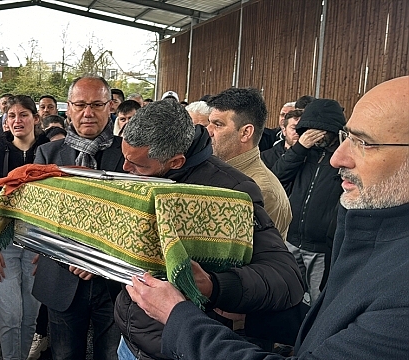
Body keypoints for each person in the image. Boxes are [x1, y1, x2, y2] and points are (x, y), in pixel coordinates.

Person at [126, 75, 409, 360]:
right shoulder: (374, 231)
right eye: (345, 137)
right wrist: (241, 308)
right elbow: (330, 325)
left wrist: (179, 317)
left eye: (365, 143)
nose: (338, 157)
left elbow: (283, 281)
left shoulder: (241, 189)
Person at [115, 98, 304, 359]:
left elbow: (286, 279)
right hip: (129, 338)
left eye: (137, 165)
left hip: (177, 348)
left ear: (177, 162)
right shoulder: (139, 165)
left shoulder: (230, 192)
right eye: (126, 158)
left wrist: (214, 286)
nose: (125, 169)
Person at [33, 75, 125, 360]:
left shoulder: (128, 155)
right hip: (62, 277)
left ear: (110, 107)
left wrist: (95, 258)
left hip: (114, 282)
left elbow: (134, 219)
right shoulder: (47, 154)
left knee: (111, 355)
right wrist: (75, 256)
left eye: (97, 104)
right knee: (64, 355)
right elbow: (37, 218)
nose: (88, 113)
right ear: (68, 108)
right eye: (81, 105)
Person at [0, 95, 48, 360]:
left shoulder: (49, 152)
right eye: (12, 116)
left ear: (36, 119)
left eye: (24, 115)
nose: (18, 121)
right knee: (10, 315)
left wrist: (49, 249)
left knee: (30, 314)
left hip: (38, 246)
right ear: (5, 121)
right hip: (3, 246)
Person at [270, 99, 344, 305]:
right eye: (309, 129)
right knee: (287, 292)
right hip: (291, 239)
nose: (315, 135)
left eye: (321, 130)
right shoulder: (303, 153)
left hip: (319, 247)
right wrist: (300, 148)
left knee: (317, 299)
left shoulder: (341, 158)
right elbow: (277, 176)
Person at [206, 88, 292, 240]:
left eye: (218, 124)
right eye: (209, 123)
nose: (208, 131)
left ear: (245, 133)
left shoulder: (263, 191)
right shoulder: (211, 170)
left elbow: (265, 256)